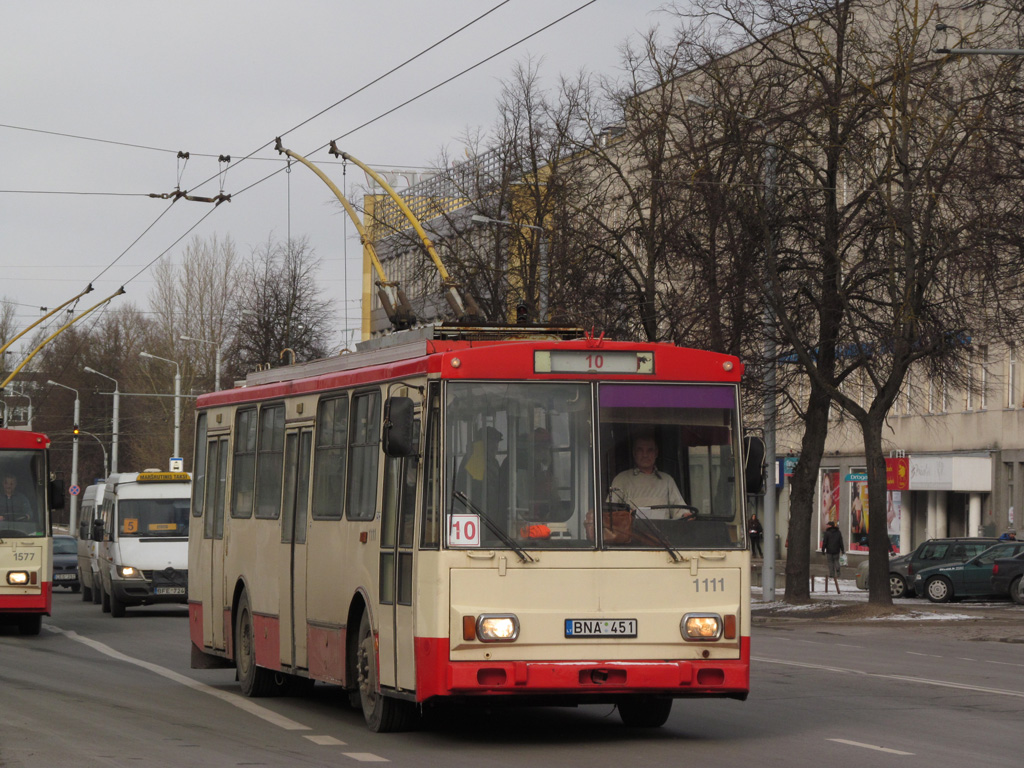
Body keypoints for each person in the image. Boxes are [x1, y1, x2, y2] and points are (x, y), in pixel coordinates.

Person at [608, 435, 692, 519]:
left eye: (650, 450)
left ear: (656, 453)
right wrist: (625, 514)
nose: (645, 455)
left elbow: (680, 510)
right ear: (634, 453)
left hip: (662, 531)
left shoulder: (667, 480)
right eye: (640, 450)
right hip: (630, 531)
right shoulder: (622, 479)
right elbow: (609, 511)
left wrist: (686, 515)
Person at [454, 426, 503, 513]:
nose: (495, 447)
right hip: (475, 511)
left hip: (490, 515)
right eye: (492, 442)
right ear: (481, 443)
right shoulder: (473, 460)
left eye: (496, 442)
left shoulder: (493, 462)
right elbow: (477, 489)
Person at [821, 520, 845, 594]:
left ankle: (831, 574)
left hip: (829, 550)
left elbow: (825, 542)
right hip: (836, 550)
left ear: (830, 526)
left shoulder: (827, 533)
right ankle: (838, 571)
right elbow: (841, 541)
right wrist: (842, 549)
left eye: (828, 525)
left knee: (830, 562)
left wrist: (823, 550)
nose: (827, 526)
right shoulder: (838, 532)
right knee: (836, 561)